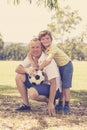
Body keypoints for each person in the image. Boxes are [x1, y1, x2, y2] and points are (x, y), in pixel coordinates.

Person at [15, 38, 62, 116]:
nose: (35, 49)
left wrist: (50, 103)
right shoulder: (31, 57)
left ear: (41, 48)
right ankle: (26, 105)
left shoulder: (47, 61)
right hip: (40, 84)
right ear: (30, 49)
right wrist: (27, 70)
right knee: (19, 76)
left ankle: (50, 100)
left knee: (32, 93)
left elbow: (54, 83)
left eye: (37, 47)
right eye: (33, 47)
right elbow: (17, 69)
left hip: (53, 88)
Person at [35, 30, 73, 114]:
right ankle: (60, 103)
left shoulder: (53, 47)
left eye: (47, 38)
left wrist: (40, 67)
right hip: (59, 66)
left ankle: (66, 106)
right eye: (43, 39)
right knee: (60, 84)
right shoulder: (44, 48)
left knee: (66, 86)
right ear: (40, 40)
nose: (45, 40)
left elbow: (48, 60)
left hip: (66, 65)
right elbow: (32, 53)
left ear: (51, 39)